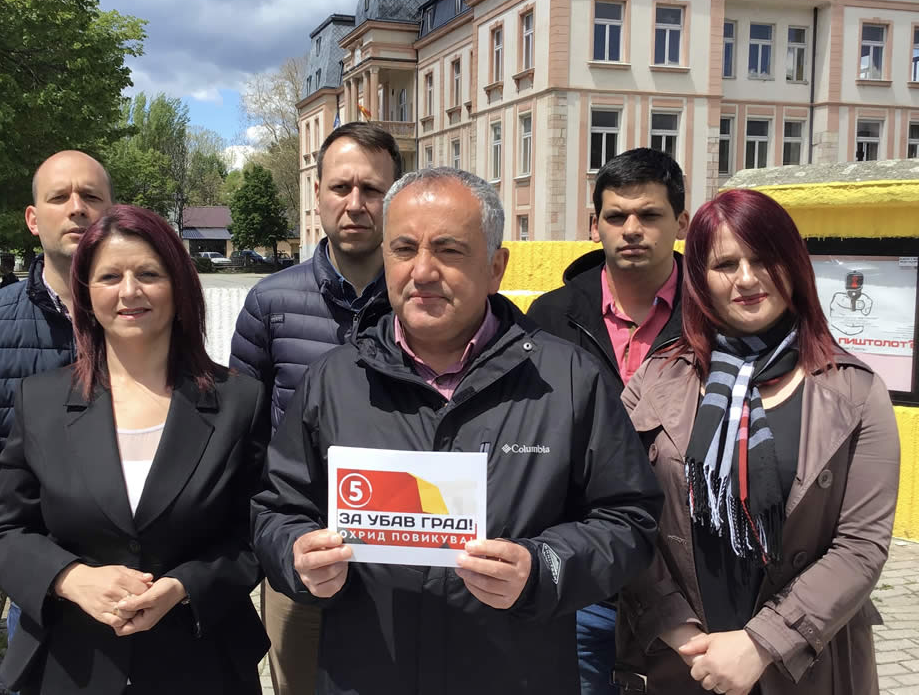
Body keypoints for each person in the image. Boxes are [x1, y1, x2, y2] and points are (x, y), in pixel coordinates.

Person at [252, 167, 663, 695]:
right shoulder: (332, 380)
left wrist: (543, 568)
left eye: (448, 250)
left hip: (517, 677)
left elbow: (629, 519)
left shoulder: (569, 380)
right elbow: (276, 509)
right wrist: (296, 556)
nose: (422, 271)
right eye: (404, 249)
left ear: (495, 267)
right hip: (367, 674)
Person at [615, 188, 900, 695]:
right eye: (725, 264)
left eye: (764, 258)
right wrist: (678, 630)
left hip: (806, 662)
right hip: (680, 660)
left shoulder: (856, 392)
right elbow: (619, 513)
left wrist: (761, 644)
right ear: (700, 277)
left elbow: (861, 547)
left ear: (793, 265)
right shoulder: (655, 381)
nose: (746, 279)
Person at [0, 205, 271, 694]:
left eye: (149, 274)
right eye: (110, 276)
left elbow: (255, 533)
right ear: (86, 293)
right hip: (71, 665)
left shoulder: (239, 401)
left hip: (201, 664)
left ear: (179, 288)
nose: (129, 291)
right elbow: (7, 532)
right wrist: (68, 577)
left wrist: (185, 586)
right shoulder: (41, 401)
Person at [230, 121, 402, 695]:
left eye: (372, 189)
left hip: (403, 551)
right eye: (341, 187)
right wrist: (268, 542)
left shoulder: (421, 301)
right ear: (318, 193)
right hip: (300, 555)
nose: (355, 204)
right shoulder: (270, 302)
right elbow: (242, 436)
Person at [527, 147, 689, 694]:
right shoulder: (550, 316)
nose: (632, 229)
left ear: (681, 223)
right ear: (594, 225)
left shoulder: (714, 316)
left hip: (688, 584)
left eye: (650, 214)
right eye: (616, 216)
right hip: (584, 578)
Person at [0, 150, 114, 643]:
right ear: (33, 220)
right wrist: (53, 566)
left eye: (91, 196)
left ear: (113, 214)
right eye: (60, 197)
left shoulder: (152, 318)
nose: (77, 208)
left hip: (145, 578)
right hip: (44, 594)